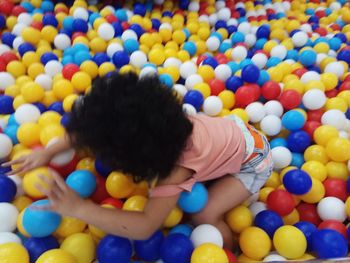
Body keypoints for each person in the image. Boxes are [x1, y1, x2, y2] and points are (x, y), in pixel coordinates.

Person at [2, 72, 273, 249]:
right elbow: (99, 124)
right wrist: (49, 152)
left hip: (255, 160)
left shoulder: (176, 167)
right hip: (232, 133)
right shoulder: (159, 120)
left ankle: (230, 249)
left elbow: (145, 227)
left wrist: (80, 208)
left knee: (203, 213)